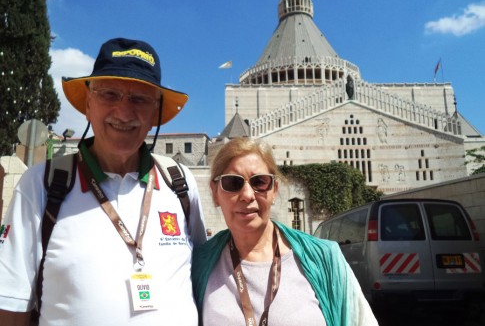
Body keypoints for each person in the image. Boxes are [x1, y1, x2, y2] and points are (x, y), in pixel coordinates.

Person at [0, 38, 207, 326]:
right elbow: (11, 305)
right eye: (110, 94)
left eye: (139, 99)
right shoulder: (41, 186)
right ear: (88, 104)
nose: (123, 112)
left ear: (155, 114)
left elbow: (203, 279)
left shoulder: (180, 184)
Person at [192, 137, 378, 326]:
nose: (247, 195)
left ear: (274, 190)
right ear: (215, 193)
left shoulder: (324, 258)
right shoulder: (199, 264)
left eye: (260, 182)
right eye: (232, 183)